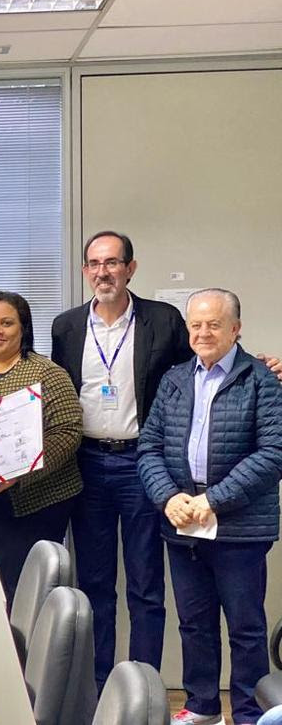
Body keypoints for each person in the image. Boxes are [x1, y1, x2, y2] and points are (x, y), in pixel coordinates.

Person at [51, 231, 192, 691]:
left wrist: (256, 362)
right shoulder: (67, 327)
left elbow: (199, 371)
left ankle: (143, 689)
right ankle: (98, 689)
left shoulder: (163, 320)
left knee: (146, 586)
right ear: (84, 271)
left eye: (112, 262)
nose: (103, 272)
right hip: (87, 464)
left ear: (131, 268)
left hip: (143, 465)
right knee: (94, 585)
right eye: (94, 264)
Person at [138, 288, 282, 725]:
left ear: (235, 329)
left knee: (245, 627)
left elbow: (273, 453)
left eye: (214, 325)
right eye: (196, 325)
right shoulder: (175, 379)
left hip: (239, 524)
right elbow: (149, 447)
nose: (203, 333)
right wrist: (168, 497)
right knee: (194, 622)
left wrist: (214, 500)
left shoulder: (261, 379)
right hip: (183, 519)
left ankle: (248, 714)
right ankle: (202, 706)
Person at [0, 291, 82, 605]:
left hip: (32, 506)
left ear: (24, 328)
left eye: (7, 323)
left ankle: (24, 641)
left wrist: (18, 474)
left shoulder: (47, 373)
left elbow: (68, 432)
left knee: (24, 595)